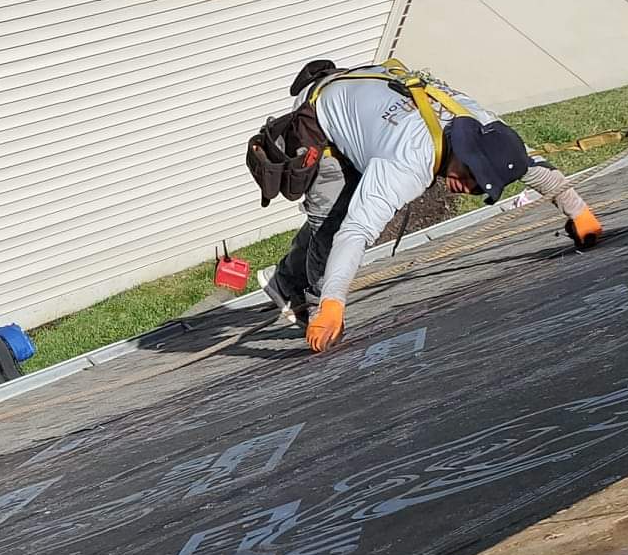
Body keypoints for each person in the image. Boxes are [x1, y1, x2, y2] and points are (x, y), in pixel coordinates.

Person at [255, 60, 604, 353]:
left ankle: (286, 279)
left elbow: (534, 170)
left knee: (350, 210)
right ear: (462, 151)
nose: (467, 188)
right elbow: (356, 231)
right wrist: (333, 302)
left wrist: (579, 213)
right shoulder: (407, 161)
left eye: (479, 187)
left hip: (371, 100)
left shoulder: (487, 130)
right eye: (469, 177)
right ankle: (310, 299)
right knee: (335, 223)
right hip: (321, 116)